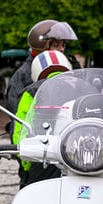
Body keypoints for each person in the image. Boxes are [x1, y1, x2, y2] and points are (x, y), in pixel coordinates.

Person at [11, 50, 73, 187]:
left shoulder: (32, 92)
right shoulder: (80, 87)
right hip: (76, 160)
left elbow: (19, 132)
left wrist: (26, 163)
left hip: (42, 159)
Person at [5, 20, 78, 116]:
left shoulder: (66, 68)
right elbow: (16, 111)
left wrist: (78, 75)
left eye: (63, 45)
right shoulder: (23, 75)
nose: (62, 49)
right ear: (40, 47)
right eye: (56, 45)